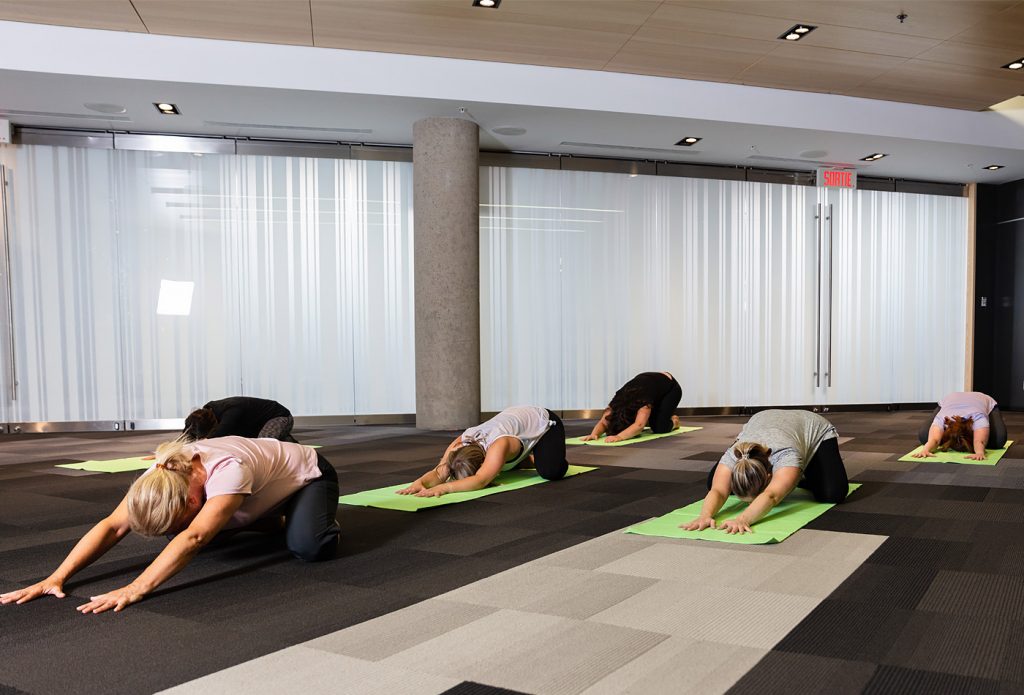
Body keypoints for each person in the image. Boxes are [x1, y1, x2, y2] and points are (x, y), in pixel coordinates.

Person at [0, 436, 339, 614]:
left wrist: (136, 588)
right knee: (196, 537)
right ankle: (277, 518)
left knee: (308, 546)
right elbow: (112, 526)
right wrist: (55, 577)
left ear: (193, 502)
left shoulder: (229, 471)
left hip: (308, 475)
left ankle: (309, 517)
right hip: (253, 491)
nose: (171, 534)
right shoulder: (161, 474)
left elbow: (193, 537)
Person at [682, 409, 849, 535]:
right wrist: (705, 515)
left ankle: (799, 474)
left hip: (811, 425)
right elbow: (718, 490)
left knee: (832, 493)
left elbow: (771, 496)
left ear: (769, 476)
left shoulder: (786, 456)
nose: (749, 505)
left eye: (752, 501)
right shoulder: (735, 454)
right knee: (714, 481)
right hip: (763, 419)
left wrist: (742, 519)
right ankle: (788, 479)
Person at [397, 405, 567, 498]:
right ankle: (522, 458)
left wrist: (446, 488)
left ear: (483, 462)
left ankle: (538, 453)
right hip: (514, 421)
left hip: (544, 421)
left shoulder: (499, 445)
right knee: (501, 465)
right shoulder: (460, 443)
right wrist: (421, 483)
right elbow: (440, 471)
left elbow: (480, 480)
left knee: (551, 471)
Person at [581, 371, 682, 443]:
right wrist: (594, 434)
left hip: (671, 388)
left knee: (660, 428)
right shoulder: (616, 402)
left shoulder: (643, 403)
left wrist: (619, 437)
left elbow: (639, 426)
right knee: (652, 419)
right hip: (650, 382)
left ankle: (674, 421)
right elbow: (604, 421)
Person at [913, 391, 1007, 461]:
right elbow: (935, 440)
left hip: (981, 399)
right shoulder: (943, 417)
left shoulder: (978, 417)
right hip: (951, 399)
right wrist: (925, 450)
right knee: (925, 437)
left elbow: (979, 441)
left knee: (999, 440)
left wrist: (979, 452)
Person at [181, 396, 296, 443]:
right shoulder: (206, 413)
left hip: (278, 416)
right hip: (257, 425)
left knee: (263, 445)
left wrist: (204, 441)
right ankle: (290, 443)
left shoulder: (231, 411)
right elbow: (187, 434)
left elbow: (220, 433)